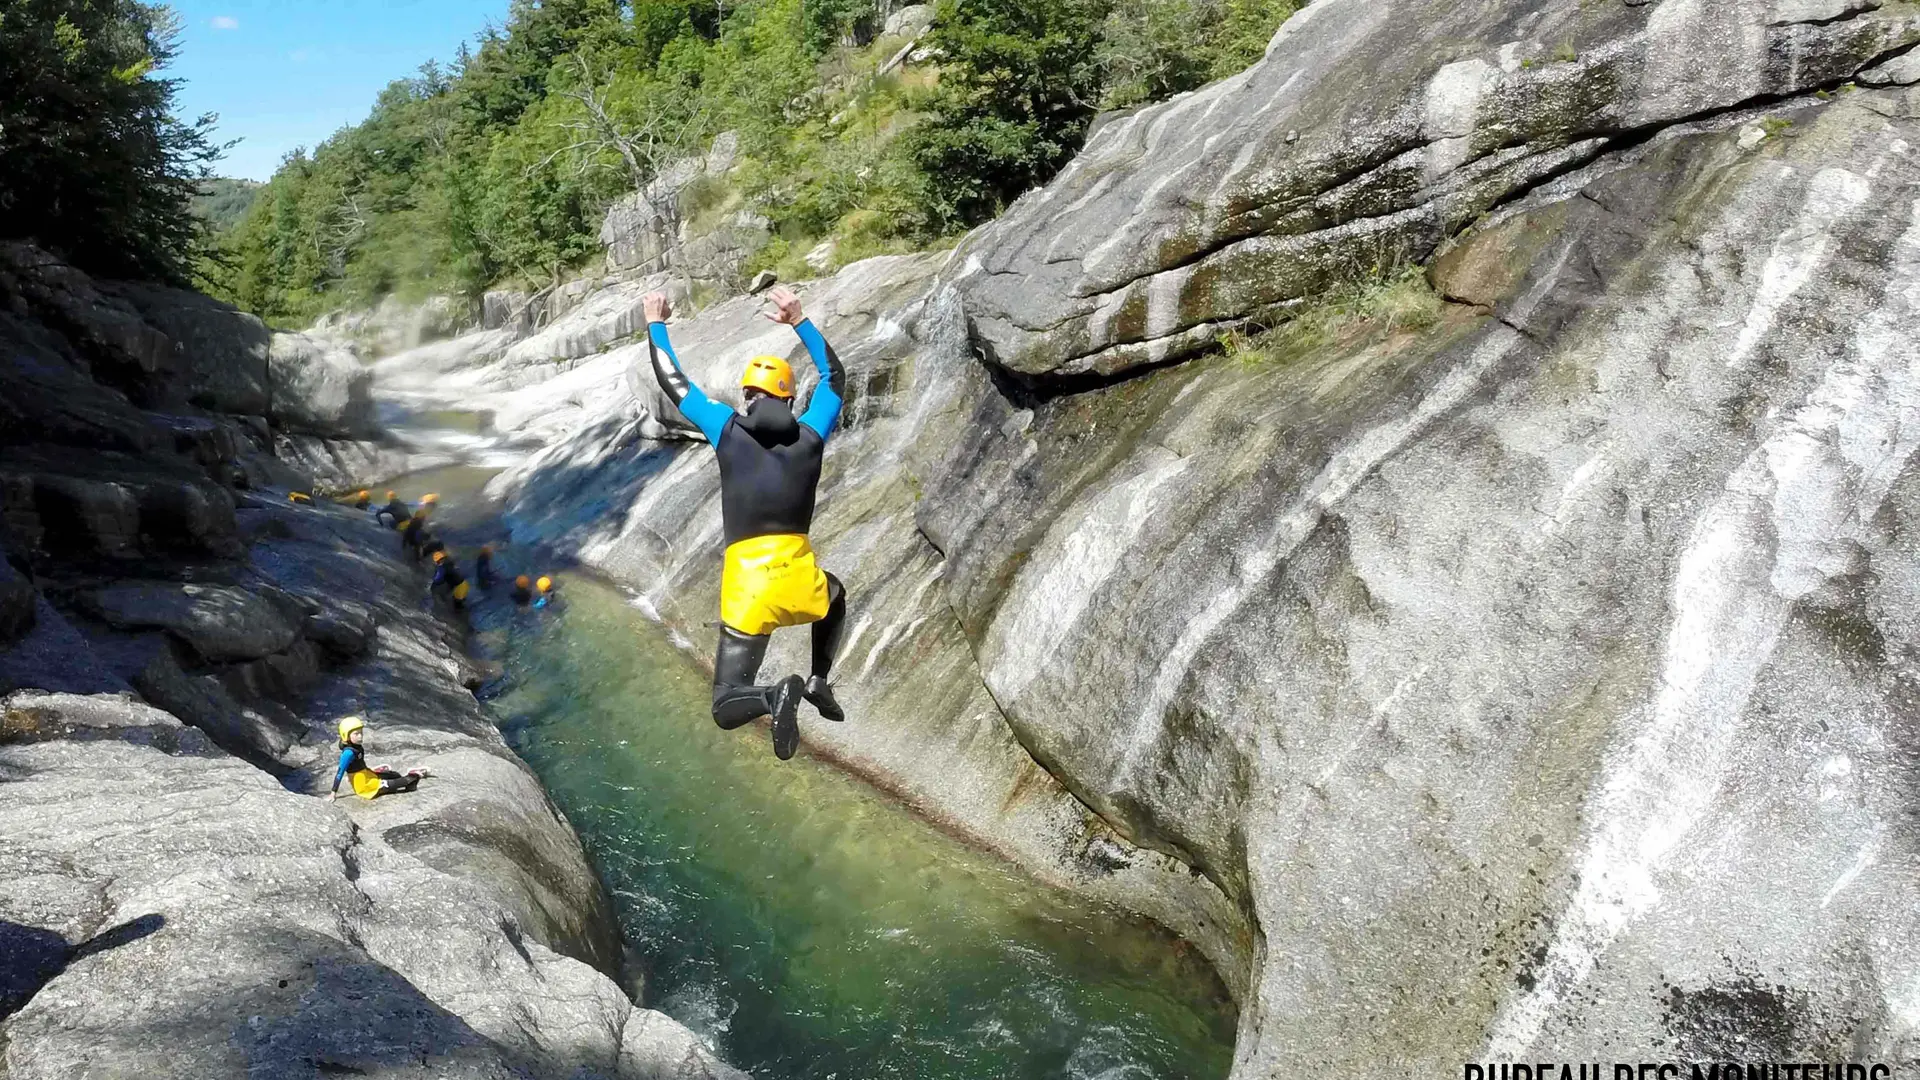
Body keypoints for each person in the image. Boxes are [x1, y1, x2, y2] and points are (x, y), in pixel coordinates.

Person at [646, 285, 847, 761]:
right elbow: (835, 377)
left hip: (749, 587)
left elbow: (673, 382)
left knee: (724, 701)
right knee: (834, 595)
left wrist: (656, 322)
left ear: (748, 396)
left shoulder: (726, 427)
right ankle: (819, 678)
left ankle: (770, 696)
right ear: (791, 397)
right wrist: (799, 318)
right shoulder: (812, 432)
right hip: (801, 577)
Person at [328, 716, 429, 801]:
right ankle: (414, 775)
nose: (360, 736)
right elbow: (339, 773)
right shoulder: (348, 753)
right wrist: (333, 793)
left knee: (395, 775)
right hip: (365, 786)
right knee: (398, 783)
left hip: (366, 774)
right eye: (356, 734)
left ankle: (379, 773)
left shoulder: (356, 746)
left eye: (361, 733)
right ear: (346, 735)